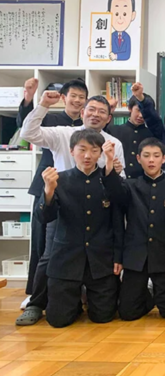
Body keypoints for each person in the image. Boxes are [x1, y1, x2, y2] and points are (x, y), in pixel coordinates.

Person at [17, 90, 125, 326]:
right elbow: (28, 133)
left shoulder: (112, 143)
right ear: (82, 111)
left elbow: (120, 183)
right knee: (50, 255)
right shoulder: (64, 133)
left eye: (102, 112)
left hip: (98, 205)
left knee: (96, 258)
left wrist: (112, 170)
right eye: (91, 109)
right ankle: (36, 302)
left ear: (109, 117)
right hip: (63, 201)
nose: (96, 115)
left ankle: (85, 297)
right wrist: (43, 104)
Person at [37, 130, 123, 327]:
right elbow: (44, 217)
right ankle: (73, 304)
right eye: (82, 150)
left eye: (94, 150)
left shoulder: (108, 179)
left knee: (103, 317)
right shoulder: (59, 179)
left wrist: (118, 257)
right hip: (66, 258)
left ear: (100, 153)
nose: (87, 156)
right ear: (71, 151)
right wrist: (48, 190)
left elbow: (118, 220)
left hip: (101, 259)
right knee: (58, 320)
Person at [16, 78, 84, 307]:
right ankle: (34, 293)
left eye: (81, 97)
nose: (77, 100)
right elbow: (25, 128)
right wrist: (30, 99)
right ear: (64, 98)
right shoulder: (53, 122)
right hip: (48, 185)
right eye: (73, 96)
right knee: (41, 242)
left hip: (77, 191)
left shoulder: (89, 127)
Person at [103, 138, 165, 320]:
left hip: (164, 257)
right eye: (146, 156)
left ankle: (162, 297)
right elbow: (114, 191)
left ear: (164, 159)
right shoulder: (130, 185)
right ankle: (147, 298)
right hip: (135, 257)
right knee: (127, 314)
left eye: (156, 156)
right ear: (138, 158)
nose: (151, 160)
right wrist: (109, 161)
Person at [107, 96, 153, 179]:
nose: (141, 115)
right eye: (138, 110)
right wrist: (108, 110)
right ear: (130, 108)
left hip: (142, 183)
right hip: (118, 181)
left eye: (145, 112)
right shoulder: (113, 130)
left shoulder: (151, 134)